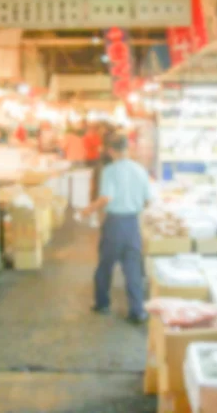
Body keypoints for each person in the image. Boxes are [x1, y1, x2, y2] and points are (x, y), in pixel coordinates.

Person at [81, 134, 152, 324]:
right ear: (128, 149)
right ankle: (137, 311)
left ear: (111, 151)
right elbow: (148, 200)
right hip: (132, 223)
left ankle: (102, 303)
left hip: (114, 224)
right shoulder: (141, 170)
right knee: (133, 268)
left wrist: (88, 210)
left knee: (105, 264)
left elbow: (106, 197)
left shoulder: (110, 171)